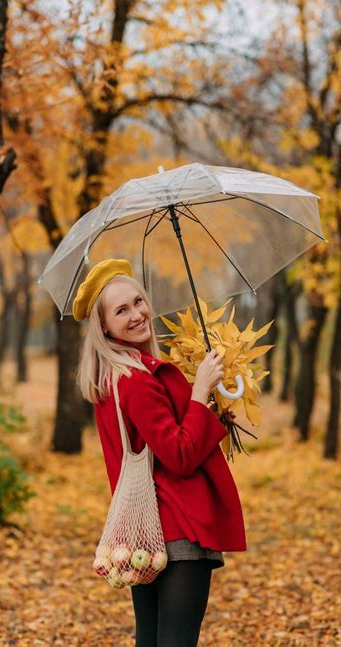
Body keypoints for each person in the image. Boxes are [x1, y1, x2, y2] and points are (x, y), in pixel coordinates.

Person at [75, 259, 246, 647]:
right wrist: (199, 391)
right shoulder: (136, 381)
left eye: (138, 301)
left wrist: (207, 411)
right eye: (121, 311)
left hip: (145, 534)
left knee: (150, 640)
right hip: (177, 529)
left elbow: (164, 440)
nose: (137, 314)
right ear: (103, 327)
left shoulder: (114, 377)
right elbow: (180, 456)